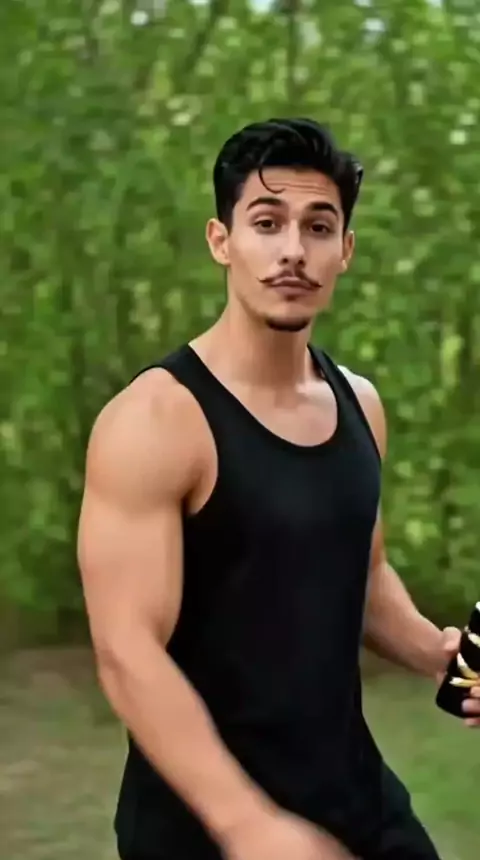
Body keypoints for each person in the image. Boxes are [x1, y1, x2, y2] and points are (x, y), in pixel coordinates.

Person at [77, 118, 480, 860]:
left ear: (345, 250)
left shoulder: (360, 404)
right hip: (203, 829)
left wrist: (441, 654)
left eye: (318, 227)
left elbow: (361, 575)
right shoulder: (156, 420)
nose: (293, 250)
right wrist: (247, 825)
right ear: (221, 240)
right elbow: (128, 651)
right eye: (267, 223)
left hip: (358, 801)